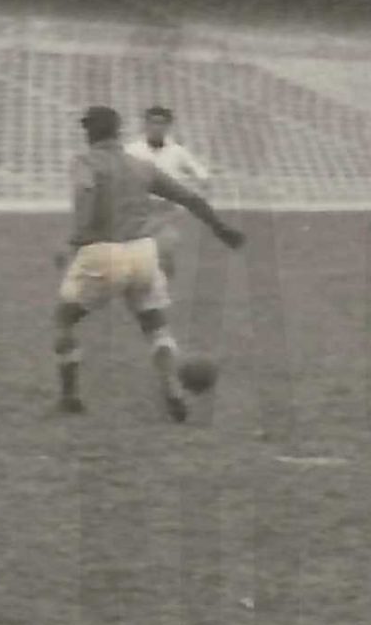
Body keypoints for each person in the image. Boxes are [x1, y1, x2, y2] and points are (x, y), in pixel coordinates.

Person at [54, 104, 244, 420]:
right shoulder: (140, 165)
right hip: (143, 251)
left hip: (102, 251)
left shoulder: (84, 162)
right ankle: (173, 389)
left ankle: (70, 397)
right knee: (155, 324)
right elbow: (190, 198)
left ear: (89, 133)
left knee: (64, 320)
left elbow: (86, 197)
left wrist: (72, 243)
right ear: (118, 131)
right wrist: (221, 228)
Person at [126, 104, 211, 275]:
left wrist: (199, 188)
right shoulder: (132, 150)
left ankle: (162, 279)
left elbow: (201, 175)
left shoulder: (177, 152)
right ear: (145, 124)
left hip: (166, 211)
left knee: (164, 250)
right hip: (139, 209)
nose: (156, 127)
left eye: (161, 123)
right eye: (152, 122)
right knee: (137, 256)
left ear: (168, 126)